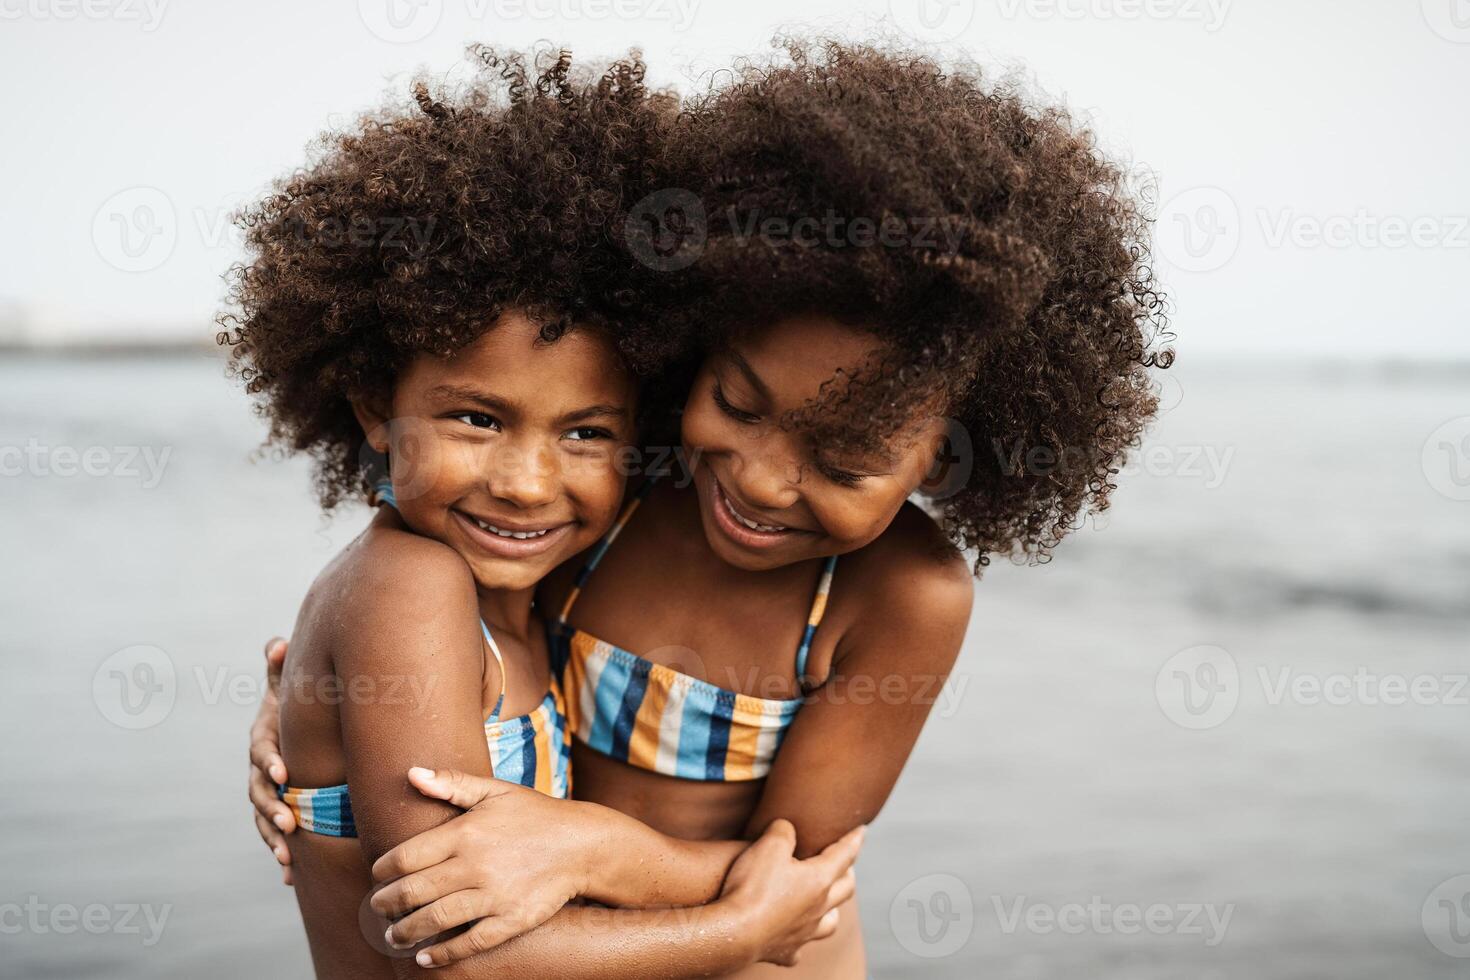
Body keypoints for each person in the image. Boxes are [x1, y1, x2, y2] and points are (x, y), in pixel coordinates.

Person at [248, 37, 1171, 977]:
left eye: (847, 461)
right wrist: (309, 732)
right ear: (697, 336)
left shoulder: (900, 596)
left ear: (953, 457)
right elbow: (424, 598)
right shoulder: (616, 488)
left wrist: (592, 846)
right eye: (735, 403)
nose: (763, 481)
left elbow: (795, 881)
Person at [223, 44, 862, 979]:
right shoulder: (411, 585)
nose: (527, 482)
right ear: (372, 408)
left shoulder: (535, 587)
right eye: (477, 419)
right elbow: (462, 951)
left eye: (588, 434)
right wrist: (743, 928)